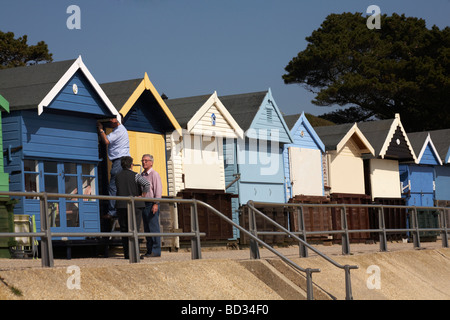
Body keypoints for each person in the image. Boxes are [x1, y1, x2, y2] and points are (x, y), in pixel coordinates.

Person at [115, 156, 150, 259]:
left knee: (124, 230)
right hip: (135, 205)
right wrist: (142, 195)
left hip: (121, 205)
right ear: (131, 165)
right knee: (134, 229)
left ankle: (127, 253)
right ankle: (135, 253)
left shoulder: (117, 176)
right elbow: (147, 184)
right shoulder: (136, 175)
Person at [97, 116, 130, 218]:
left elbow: (106, 141)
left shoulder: (119, 130)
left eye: (112, 118)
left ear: (118, 120)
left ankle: (112, 212)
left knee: (113, 186)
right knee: (120, 186)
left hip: (119, 160)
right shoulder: (120, 130)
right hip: (123, 160)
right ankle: (120, 210)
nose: (110, 120)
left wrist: (100, 129)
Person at [141, 154, 163, 257]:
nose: (144, 162)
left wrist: (156, 203)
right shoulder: (142, 175)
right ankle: (149, 250)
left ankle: (156, 250)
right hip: (144, 203)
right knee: (147, 228)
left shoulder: (154, 174)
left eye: (146, 160)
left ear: (151, 162)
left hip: (152, 203)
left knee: (154, 227)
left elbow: (158, 190)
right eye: (143, 160)